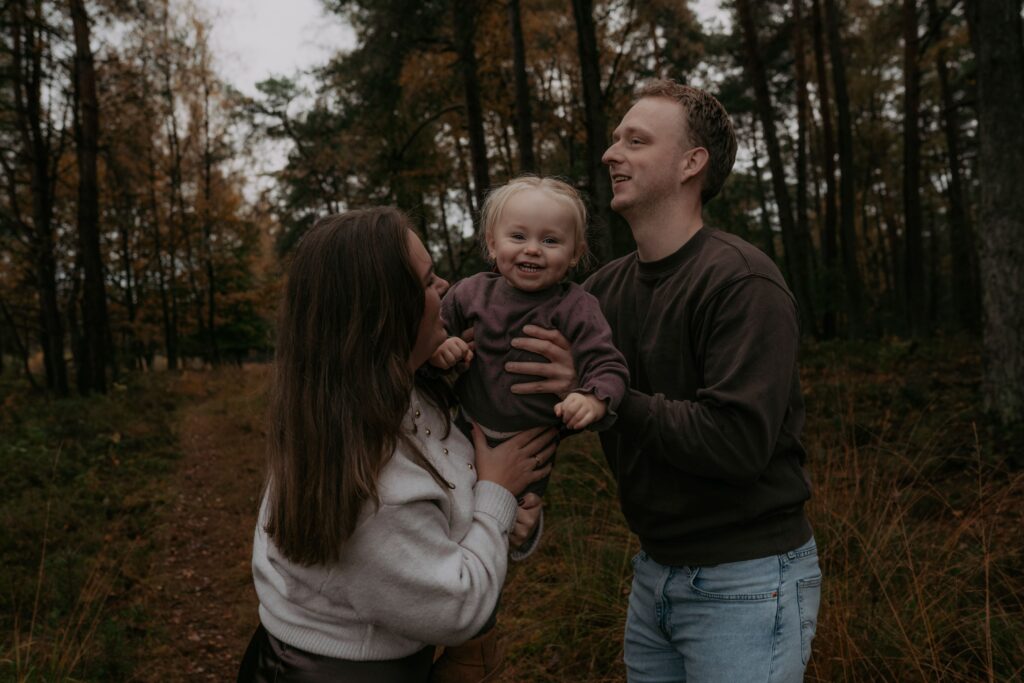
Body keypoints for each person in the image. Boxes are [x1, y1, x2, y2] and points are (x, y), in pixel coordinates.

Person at [511, 80, 822, 682]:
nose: (610, 153)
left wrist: (604, 398)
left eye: (636, 140)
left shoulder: (741, 283)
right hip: (654, 573)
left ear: (691, 163)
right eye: (614, 138)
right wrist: (509, 497)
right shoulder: (600, 293)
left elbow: (736, 443)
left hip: (748, 580)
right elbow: (533, 392)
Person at [237, 208, 555, 683]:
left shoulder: (397, 395)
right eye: (428, 282)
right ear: (385, 312)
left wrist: (507, 516)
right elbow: (459, 605)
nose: (445, 285)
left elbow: (450, 518)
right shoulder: (370, 482)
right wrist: (496, 498)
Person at [430, 176, 629, 500]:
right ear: (493, 244)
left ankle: (525, 524)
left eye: (551, 241)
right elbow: (431, 336)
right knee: (455, 502)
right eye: (518, 236)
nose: (533, 249)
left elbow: (608, 364)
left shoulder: (577, 307)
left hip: (535, 442)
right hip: (465, 427)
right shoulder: (469, 293)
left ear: (575, 253)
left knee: (520, 513)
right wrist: (442, 348)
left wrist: (593, 398)